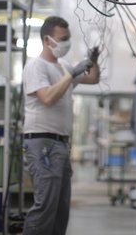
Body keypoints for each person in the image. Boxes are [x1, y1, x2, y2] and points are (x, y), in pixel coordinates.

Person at [22, 16, 100, 235]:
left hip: (60, 144)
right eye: (62, 39)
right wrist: (72, 74)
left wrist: (93, 61)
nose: (67, 43)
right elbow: (47, 98)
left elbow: (92, 79)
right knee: (45, 206)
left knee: (60, 208)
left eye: (68, 38)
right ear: (48, 40)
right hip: (42, 143)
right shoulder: (36, 66)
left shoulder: (63, 65)